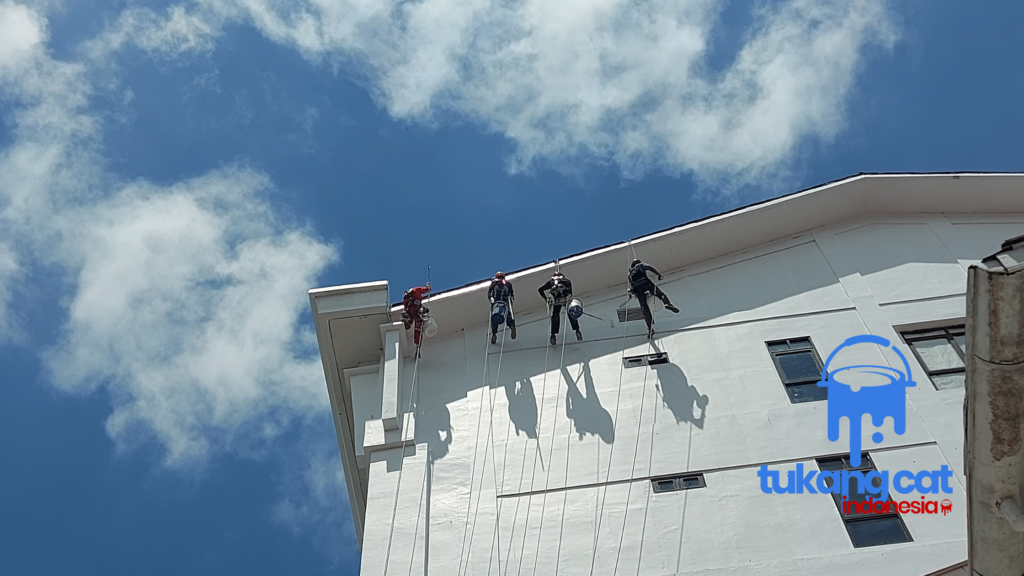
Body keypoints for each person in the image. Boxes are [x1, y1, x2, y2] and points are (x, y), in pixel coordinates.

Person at [627, 259, 679, 338]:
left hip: (638, 289)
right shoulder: (640, 265)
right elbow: (649, 267)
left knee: (644, 308)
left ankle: (650, 329)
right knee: (660, 294)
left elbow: (632, 285)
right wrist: (658, 274)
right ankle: (667, 304)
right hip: (646, 283)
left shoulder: (630, 274)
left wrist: (632, 292)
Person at [538, 272, 582, 345]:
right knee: (571, 313)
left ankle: (553, 335)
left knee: (555, 316)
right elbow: (570, 293)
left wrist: (547, 298)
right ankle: (577, 330)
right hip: (564, 300)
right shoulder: (566, 281)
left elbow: (540, 290)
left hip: (557, 301)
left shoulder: (551, 282)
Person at [488, 272, 516, 344]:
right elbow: (512, 294)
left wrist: (491, 300)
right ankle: (512, 326)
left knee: (494, 318)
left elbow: (489, 293)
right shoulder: (507, 284)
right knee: (508, 316)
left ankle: (494, 334)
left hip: (498, 303)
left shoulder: (495, 283)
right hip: (503, 304)